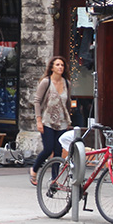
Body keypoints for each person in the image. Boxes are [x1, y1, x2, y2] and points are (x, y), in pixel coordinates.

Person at [30, 56, 72, 186]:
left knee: (58, 151)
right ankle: (34, 169)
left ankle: (55, 179)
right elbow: (37, 101)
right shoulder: (46, 82)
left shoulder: (67, 83)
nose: (60, 67)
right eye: (57, 65)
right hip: (47, 120)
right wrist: (38, 120)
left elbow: (68, 102)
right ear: (52, 67)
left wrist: (69, 119)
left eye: (62, 65)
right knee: (48, 148)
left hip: (62, 121)